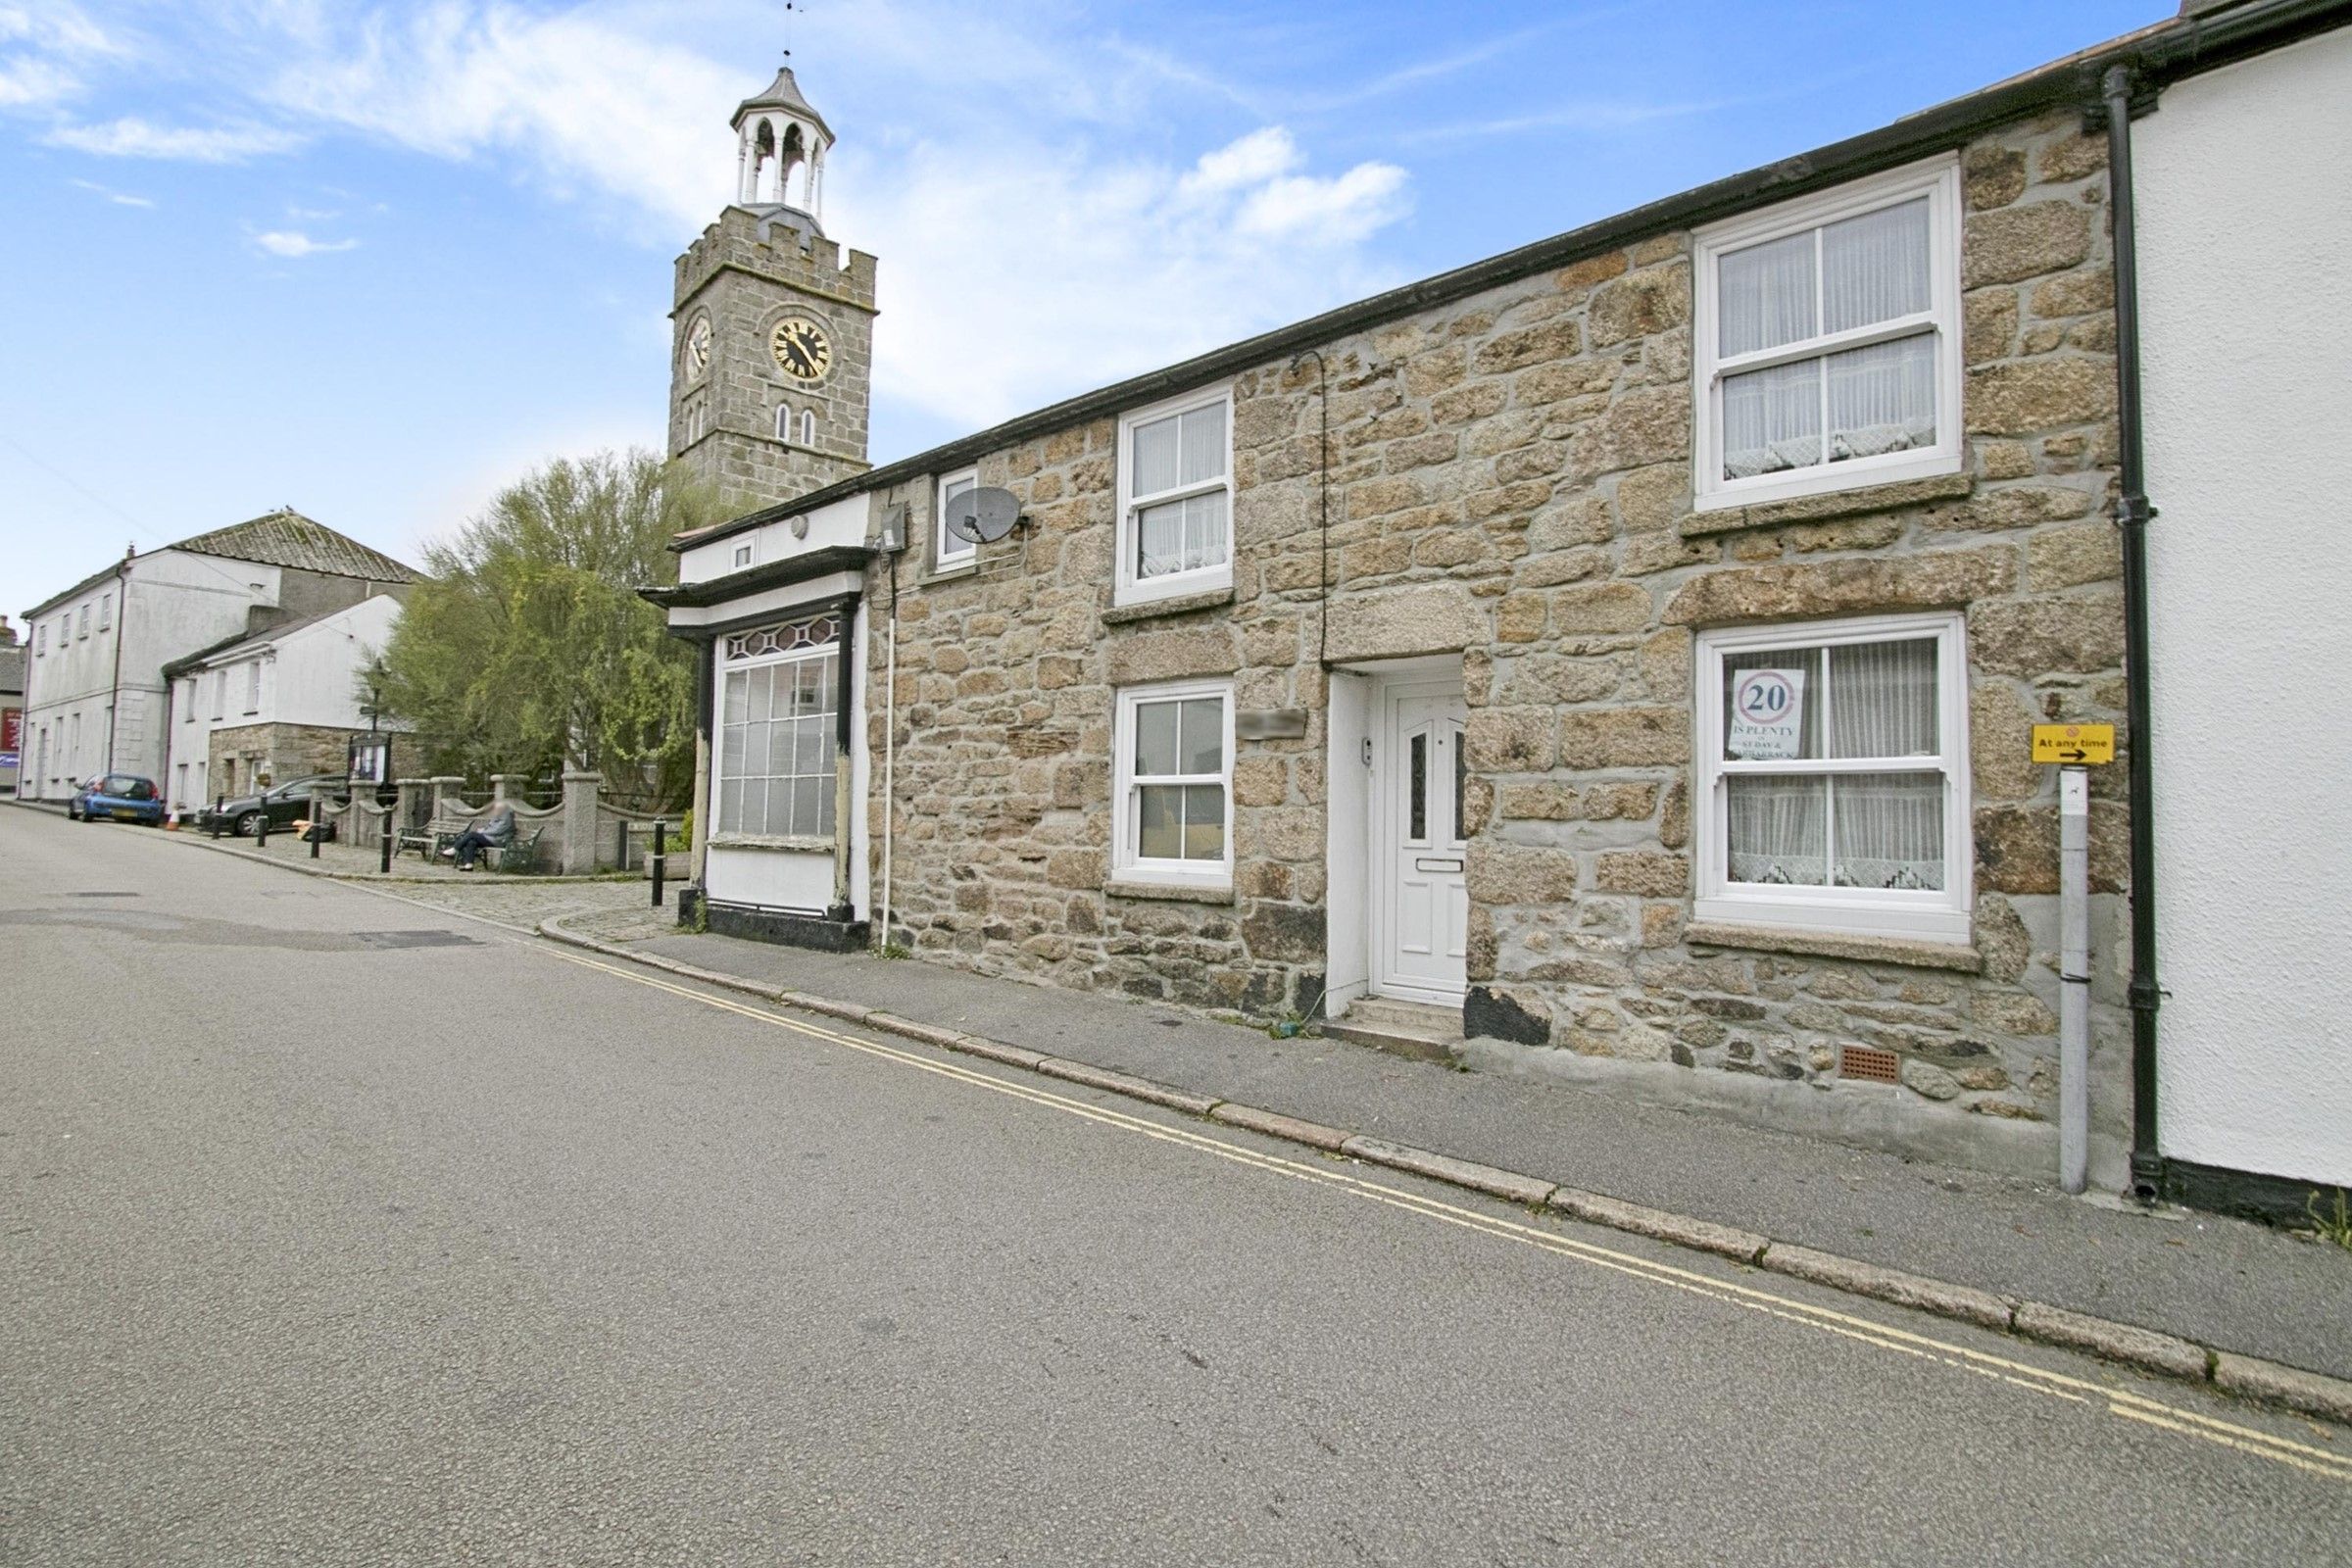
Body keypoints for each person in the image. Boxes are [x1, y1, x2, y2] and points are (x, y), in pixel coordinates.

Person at [443, 803, 515, 871]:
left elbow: (498, 831)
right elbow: (491, 828)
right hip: (491, 838)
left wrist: (482, 832)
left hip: (498, 841)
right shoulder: (499, 816)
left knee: (472, 834)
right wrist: (483, 829)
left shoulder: (506, 819)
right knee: (471, 842)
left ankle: (455, 849)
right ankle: (469, 865)